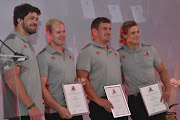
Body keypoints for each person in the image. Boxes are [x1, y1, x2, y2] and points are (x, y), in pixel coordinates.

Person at [76, 17, 128, 120]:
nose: (108, 32)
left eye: (110, 29)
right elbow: (82, 79)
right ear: (94, 31)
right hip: (100, 104)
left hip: (119, 103)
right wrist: (99, 100)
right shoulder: (87, 51)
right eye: (104, 29)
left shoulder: (115, 53)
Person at [118, 21, 171, 120]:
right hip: (135, 100)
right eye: (133, 33)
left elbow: (162, 70)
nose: (137, 35)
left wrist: (168, 89)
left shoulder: (150, 50)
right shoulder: (118, 55)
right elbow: (119, 79)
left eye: (137, 32)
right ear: (124, 35)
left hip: (154, 97)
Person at [0, 3, 44, 120]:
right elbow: (10, 78)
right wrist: (31, 105)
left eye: (36, 19)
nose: (35, 22)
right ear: (19, 20)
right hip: (22, 112)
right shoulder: (12, 42)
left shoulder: (25, 43)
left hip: (30, 112)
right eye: (31, 18)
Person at [37, 19, 84, 120]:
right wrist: (59, 108)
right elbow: (41, 87)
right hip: (56, 112)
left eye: (64, 31)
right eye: (58, 32)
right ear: (49, 34)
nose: (63, 35)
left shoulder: (69, 54)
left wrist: (78, 82)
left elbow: (70, 80)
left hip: (75, 110)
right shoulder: (43, 56)